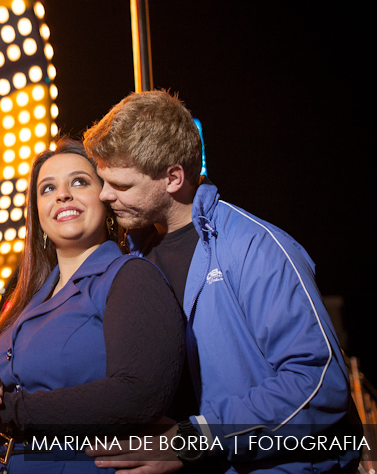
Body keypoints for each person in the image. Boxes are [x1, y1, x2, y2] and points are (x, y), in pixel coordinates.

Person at [81, 91, 360, 474]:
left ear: (173, 178)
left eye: (121, 185)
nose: (104, 195)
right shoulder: (133, 257)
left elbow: (319, 384)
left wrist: (193, 439)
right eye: (103, 180)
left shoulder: (256, 247)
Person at [0, 136, 187, 473]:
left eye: (79, 182)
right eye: (47, 189)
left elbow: (139, 393)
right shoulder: (26, 300)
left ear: (105, 199)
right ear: (38, 213)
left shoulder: (129, 278)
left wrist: (8, 412)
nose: (62, 194)